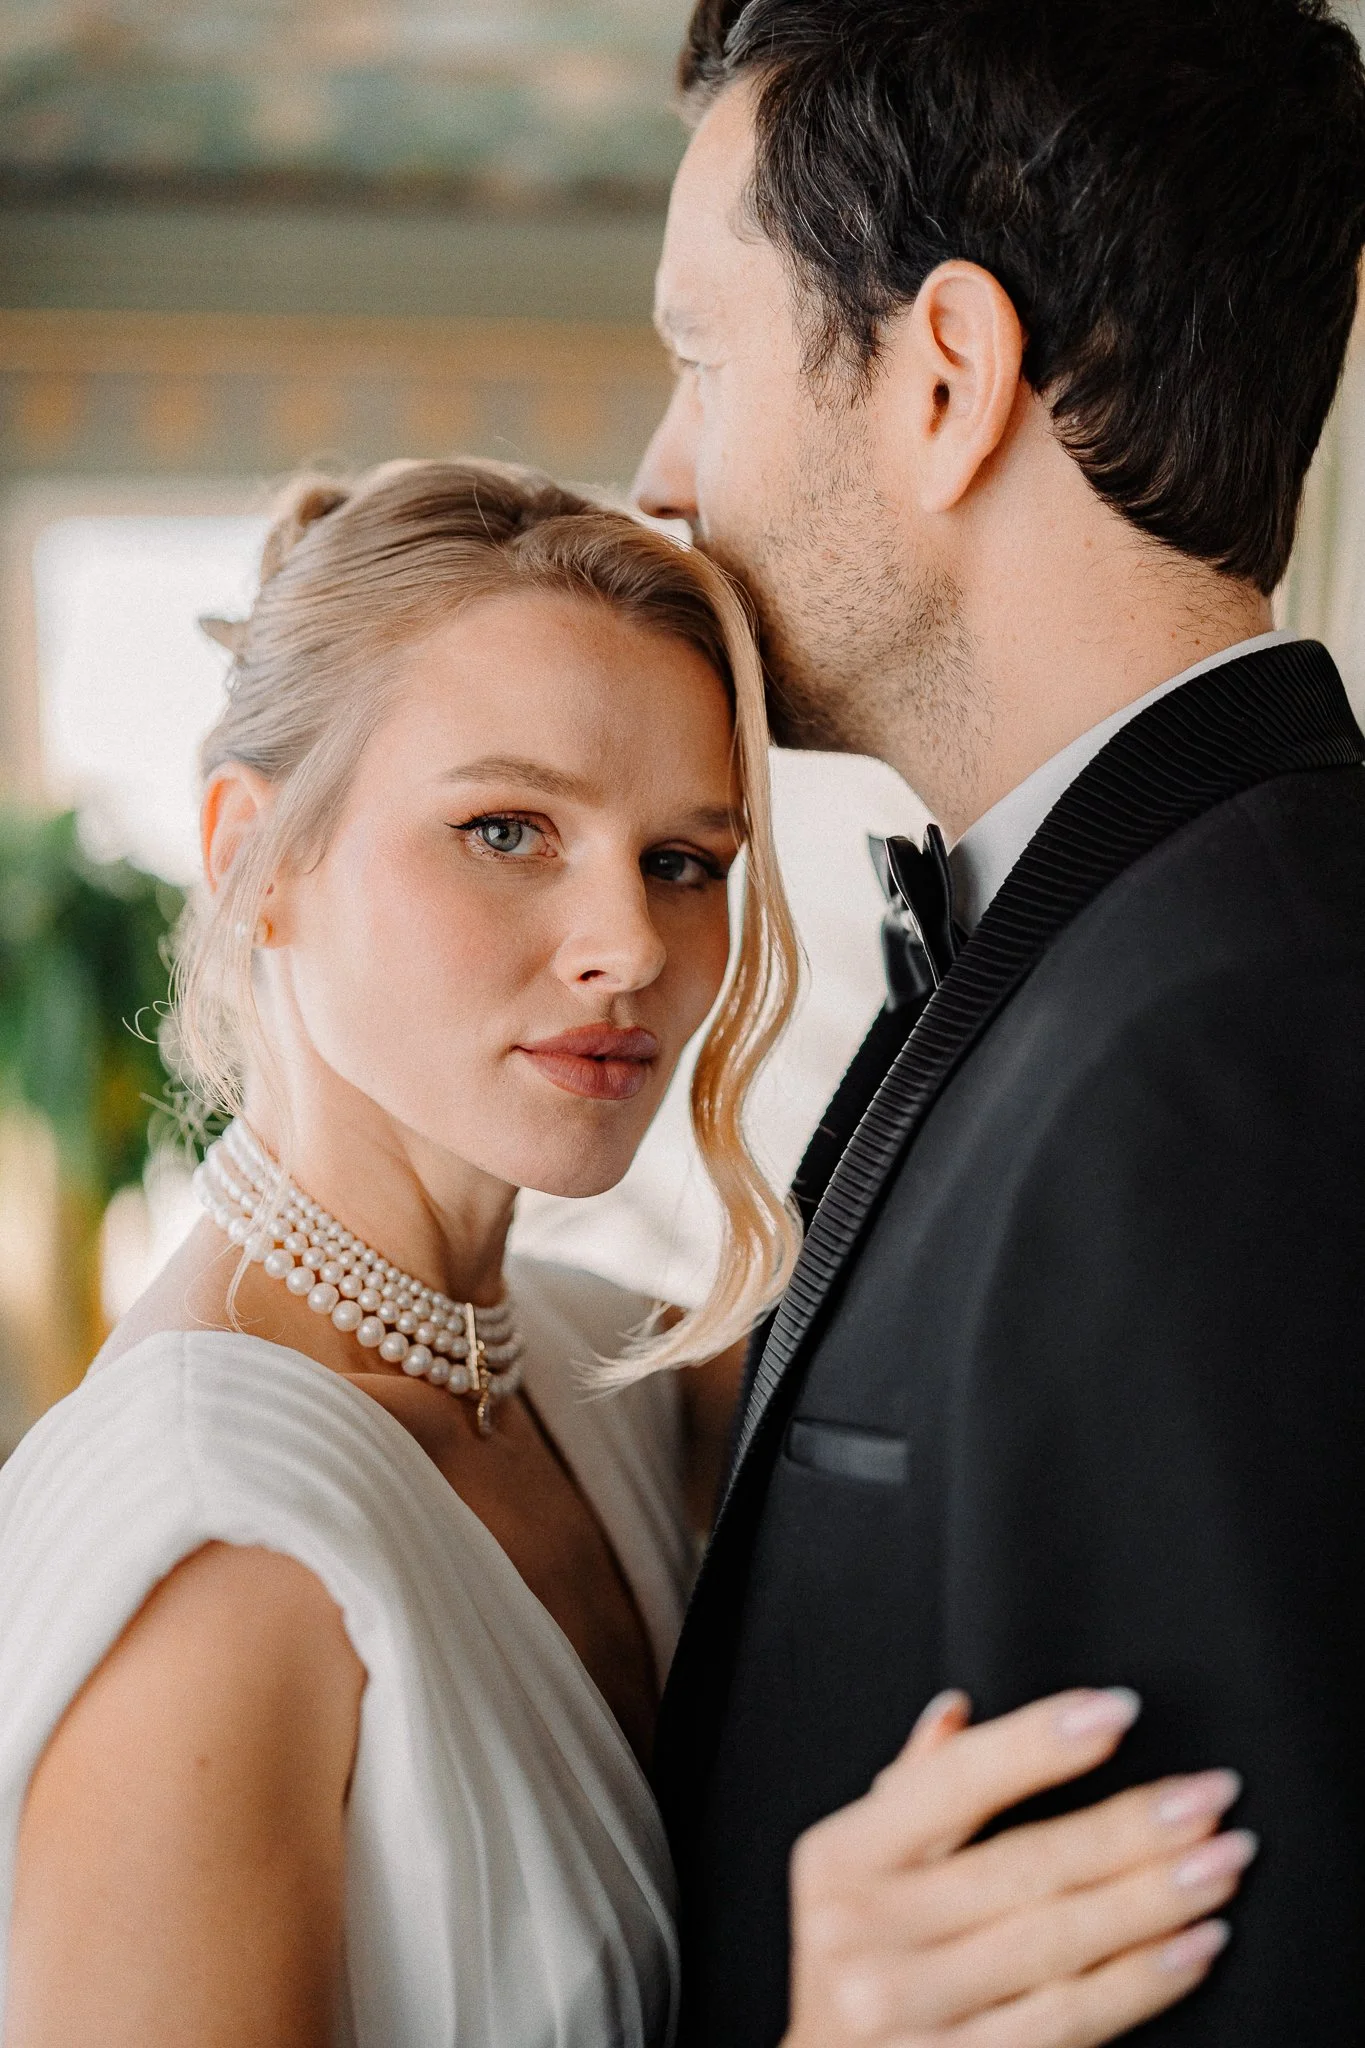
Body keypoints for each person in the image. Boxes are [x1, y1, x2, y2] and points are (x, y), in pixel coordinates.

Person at [0, 460, 1246, 2047]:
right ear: (260, 858)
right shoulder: (217, 1553)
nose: (632, 948)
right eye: (507, 828)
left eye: (686, 861)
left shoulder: (607, 1372)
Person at [633, 1, 1365, 2042]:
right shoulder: (1114, 946)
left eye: (703, 359)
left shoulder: (1234, 1039)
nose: (661, 472)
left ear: (945, 378)